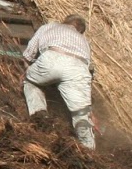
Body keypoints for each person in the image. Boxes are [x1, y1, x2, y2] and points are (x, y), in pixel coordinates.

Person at [22, 14, 96, 149]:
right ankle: (88, 150)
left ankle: (39, 117)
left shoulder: (50, 27)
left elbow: (29, 54)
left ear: (65, 22)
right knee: (80, 113)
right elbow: (88, 71)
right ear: (80, 30)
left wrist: (29, 68)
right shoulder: (84, 41)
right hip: (79, 68)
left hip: (53, 58)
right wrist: (87, 108)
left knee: (31, 82)